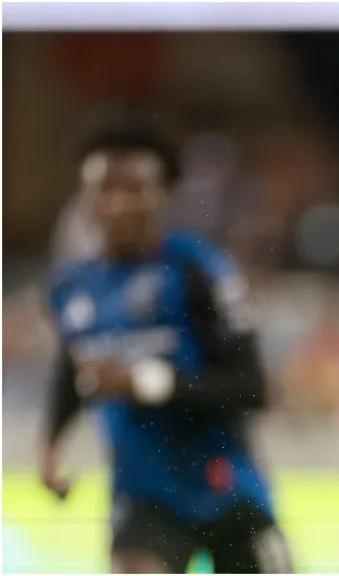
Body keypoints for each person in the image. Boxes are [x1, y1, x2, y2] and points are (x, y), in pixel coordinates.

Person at [40, 124, 293, 573]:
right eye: (103, 189)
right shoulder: (71, 288)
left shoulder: (200, 271)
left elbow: (250, 387)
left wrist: (145, 383)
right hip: (143, 496)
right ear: (84, 199)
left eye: (134, 189)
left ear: (164, 195)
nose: (117, 204)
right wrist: (51, 445)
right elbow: (71, 368)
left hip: (225, 486)